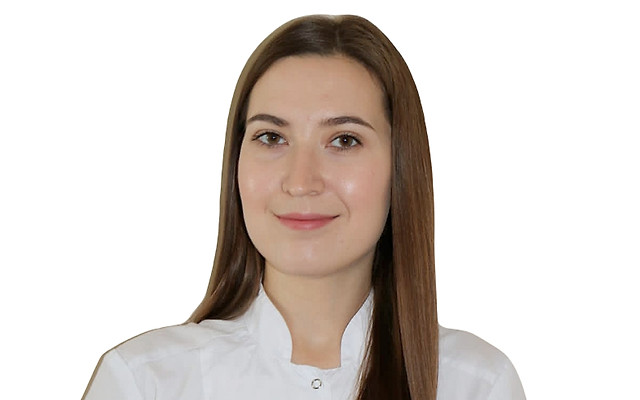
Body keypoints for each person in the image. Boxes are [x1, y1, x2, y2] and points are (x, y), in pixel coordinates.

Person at [82, 14, 526, 400]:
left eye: (344, 140)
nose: (301, 181)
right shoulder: (144, 383)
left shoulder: (477, 385)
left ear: (401, 167)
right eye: (271, 137)